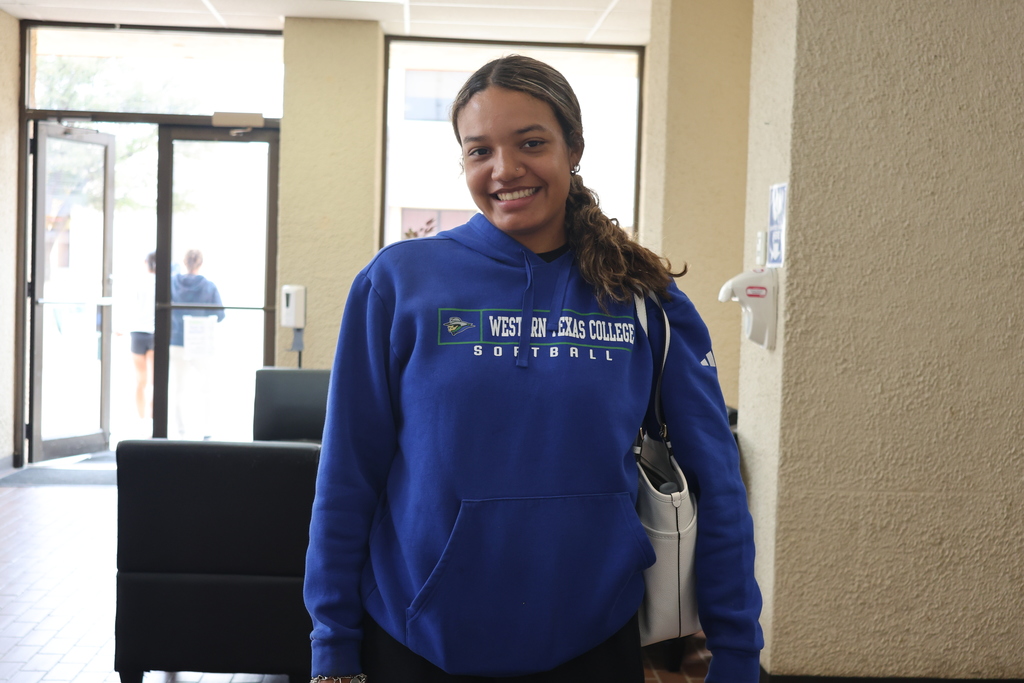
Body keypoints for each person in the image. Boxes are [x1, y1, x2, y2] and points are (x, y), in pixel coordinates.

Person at [304, 55, 763, 683]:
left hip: (593, 640)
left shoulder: (641, 297)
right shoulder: (398, 282)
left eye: (530, 143)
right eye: (479, 151)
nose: (504, 169)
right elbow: (347, 475)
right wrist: (332, 645)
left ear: (573, 148)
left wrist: (737, 652)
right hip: (417, 638)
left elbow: (718, 481)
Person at [169, 249, 225, 439]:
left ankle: (181, 430)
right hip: (200, 343)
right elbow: (220, 315)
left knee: (178, 388)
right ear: (200, 264)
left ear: (184, 263)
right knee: (206, 389)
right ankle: (206, 430)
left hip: (176, 341)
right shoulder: (209, 286)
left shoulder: (171, 283)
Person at [126, 252, 156, 422]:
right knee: (154, 382)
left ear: (146, 263)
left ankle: (141, 419)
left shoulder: (138, 282)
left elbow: (130, 307)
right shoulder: (164, 284)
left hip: (137, 333)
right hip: (155, 333)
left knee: (140, 381)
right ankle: (152, 420)